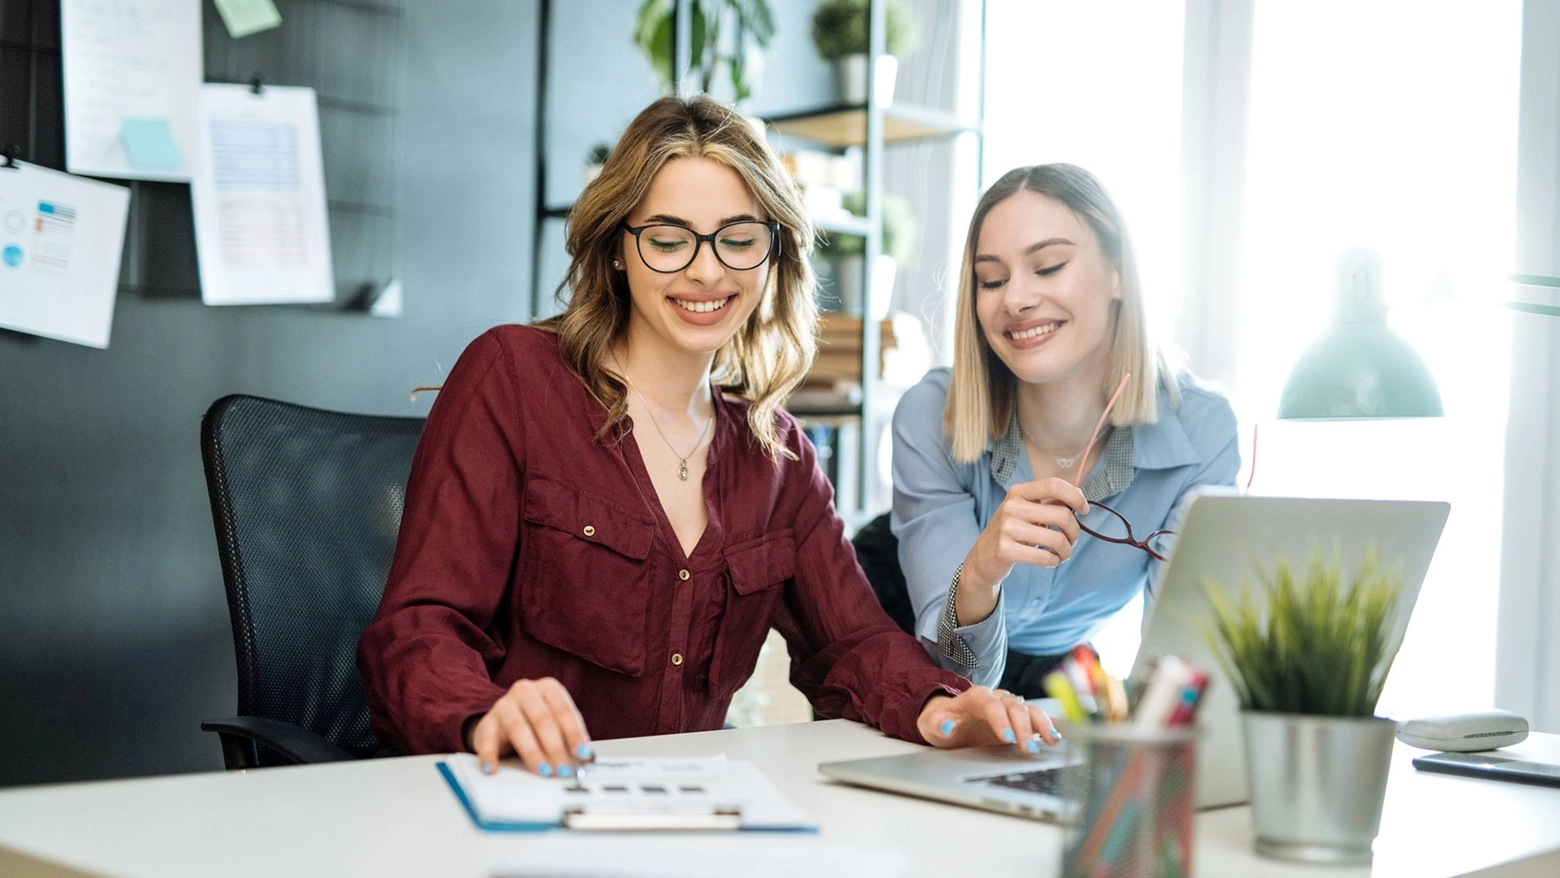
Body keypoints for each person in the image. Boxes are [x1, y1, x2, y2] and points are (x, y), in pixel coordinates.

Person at [357, 96, 1061, 777]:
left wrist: (948, 711)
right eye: (667, 240)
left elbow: (854, 645)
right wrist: (487, 715)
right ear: (616, 250)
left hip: (679, 820)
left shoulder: (777, 455)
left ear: (773, 254)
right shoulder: (513, 377)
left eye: (739, 239)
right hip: (506, 798)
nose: (706, 269)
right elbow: (419, 628)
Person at [891, 163, 1239, 695]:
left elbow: (1182, 662)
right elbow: (957, 673)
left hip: (1055, 670)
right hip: (906, 636)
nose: (1015, 299)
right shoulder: (929, 413)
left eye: (1049, 266)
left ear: (1118, 273)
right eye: (992, 279)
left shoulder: (1202, 430)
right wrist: (982, 568)